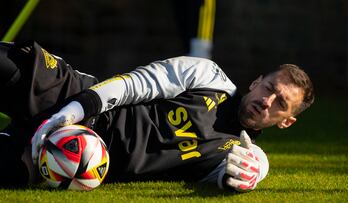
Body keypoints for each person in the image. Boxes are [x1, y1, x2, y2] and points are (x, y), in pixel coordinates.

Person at [0, 40, 314, 192]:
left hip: (80, 159)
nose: (267, 101)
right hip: (77, 99)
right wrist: (71, 111)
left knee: (10, 172)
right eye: (269, 88)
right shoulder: (208, 76)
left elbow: (240, 174)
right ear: (256, 81)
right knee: (10, 64)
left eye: (280, 104)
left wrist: (255, 174)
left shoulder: (235, 155)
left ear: (286, 121)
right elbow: (133, 85)